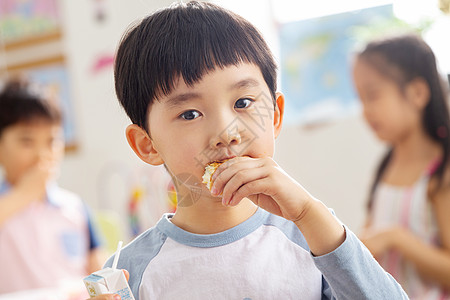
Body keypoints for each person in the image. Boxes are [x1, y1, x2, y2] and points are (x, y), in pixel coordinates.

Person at [91, 2, 408, 299]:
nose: (225, 134)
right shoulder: (130, 271)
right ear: (147, 145)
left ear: (274, 117)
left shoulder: (314, 234)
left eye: (243, 103)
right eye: (189, 114)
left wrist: (309, 214)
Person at [353, 34, 450, 298]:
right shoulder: (386, 166)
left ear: (417, 93)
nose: (365, 110)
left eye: (372, 95)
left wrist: (396, 239)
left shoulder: (442, 173)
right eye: (360, 98)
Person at [0, 79, 103, 294]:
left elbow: (99, 274)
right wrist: (24, 194)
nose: (42, 154)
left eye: (52, 141)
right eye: (27, 141)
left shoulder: (74, 207)